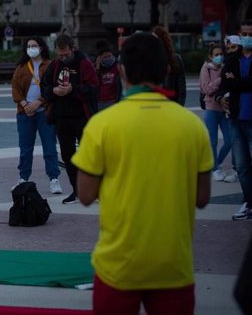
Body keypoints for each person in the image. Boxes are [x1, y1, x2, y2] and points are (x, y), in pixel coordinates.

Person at [73, 32, 212, 315]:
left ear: (122, 71)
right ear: (166, 69)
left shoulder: (102, 125)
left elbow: (85, 195)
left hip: (118, 266)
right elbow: (202, 197)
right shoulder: (192, 126)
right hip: (174, 266)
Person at [216, 19, 252, 221]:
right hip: (235, 119)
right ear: (239, 32)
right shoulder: (232, 58)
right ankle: (248, 203)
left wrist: (235, 82)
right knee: (242, 167)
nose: (247, 37)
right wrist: (220, 97)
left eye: (251, 34)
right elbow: (223, 84)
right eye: (244, 33)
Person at [41, 34, 99, 205]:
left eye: (66, 54)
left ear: (73, 49)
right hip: (61, 117)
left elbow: (94, 89)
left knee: (88, 154)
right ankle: (77, 190)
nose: (63, 58)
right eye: (60, 55)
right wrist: (53, 91)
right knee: (67, 155)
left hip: (81, 116)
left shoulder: (84, 63)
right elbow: (44, 86)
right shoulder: (55, 65)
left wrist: (73, 89)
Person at [10, 37, 62, 194]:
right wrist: (25, 104)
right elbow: (15, 89)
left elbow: (54, 87)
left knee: (49, 147)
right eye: (28, 46)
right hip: (25, 113)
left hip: (45, 111)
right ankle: (23, 178)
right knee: (25, 148)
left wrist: (39, 102)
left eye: (34, 46)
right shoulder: (21, 67)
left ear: (41, 48)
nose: (31, 48)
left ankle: (54, 179)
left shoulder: (51, 65)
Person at [199, 44, 235, 182]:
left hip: (225, 110)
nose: (219, 56)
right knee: (212, 141)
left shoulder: (225, 67)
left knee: (230, 140)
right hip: (211, 109)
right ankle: (215, 170)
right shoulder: (206, 69)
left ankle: (216, 163)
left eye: (221, 54)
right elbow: (207, 90)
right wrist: (221, 79)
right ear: (210, 56)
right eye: (216, 54)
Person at [152, 25, 186, 105]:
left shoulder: (176, 59)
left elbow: (181, 88)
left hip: (171, 104)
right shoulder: (150, 59)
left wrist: (179, 107)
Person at [94, 41, 121, 111]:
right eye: (105, 57)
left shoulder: (118, 67)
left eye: (109, 56)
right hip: (100, 102)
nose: (108, 58)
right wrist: (97, 69)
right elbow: (94, 84)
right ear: (99, 58)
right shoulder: (97, 69)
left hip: (114, 101)